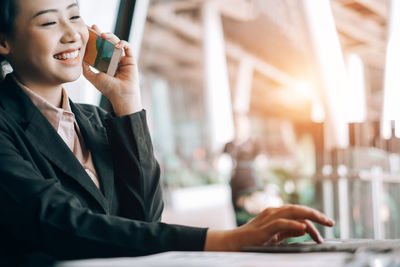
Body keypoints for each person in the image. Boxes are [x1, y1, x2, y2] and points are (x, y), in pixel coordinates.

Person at [0, 0, 334, 265]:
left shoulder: (95, 121)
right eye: (48, 22)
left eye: (74, 16)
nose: (72, 34)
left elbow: (145, 219)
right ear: (4, 40)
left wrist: (127, 103)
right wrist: (225, 240)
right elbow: (58, 224)